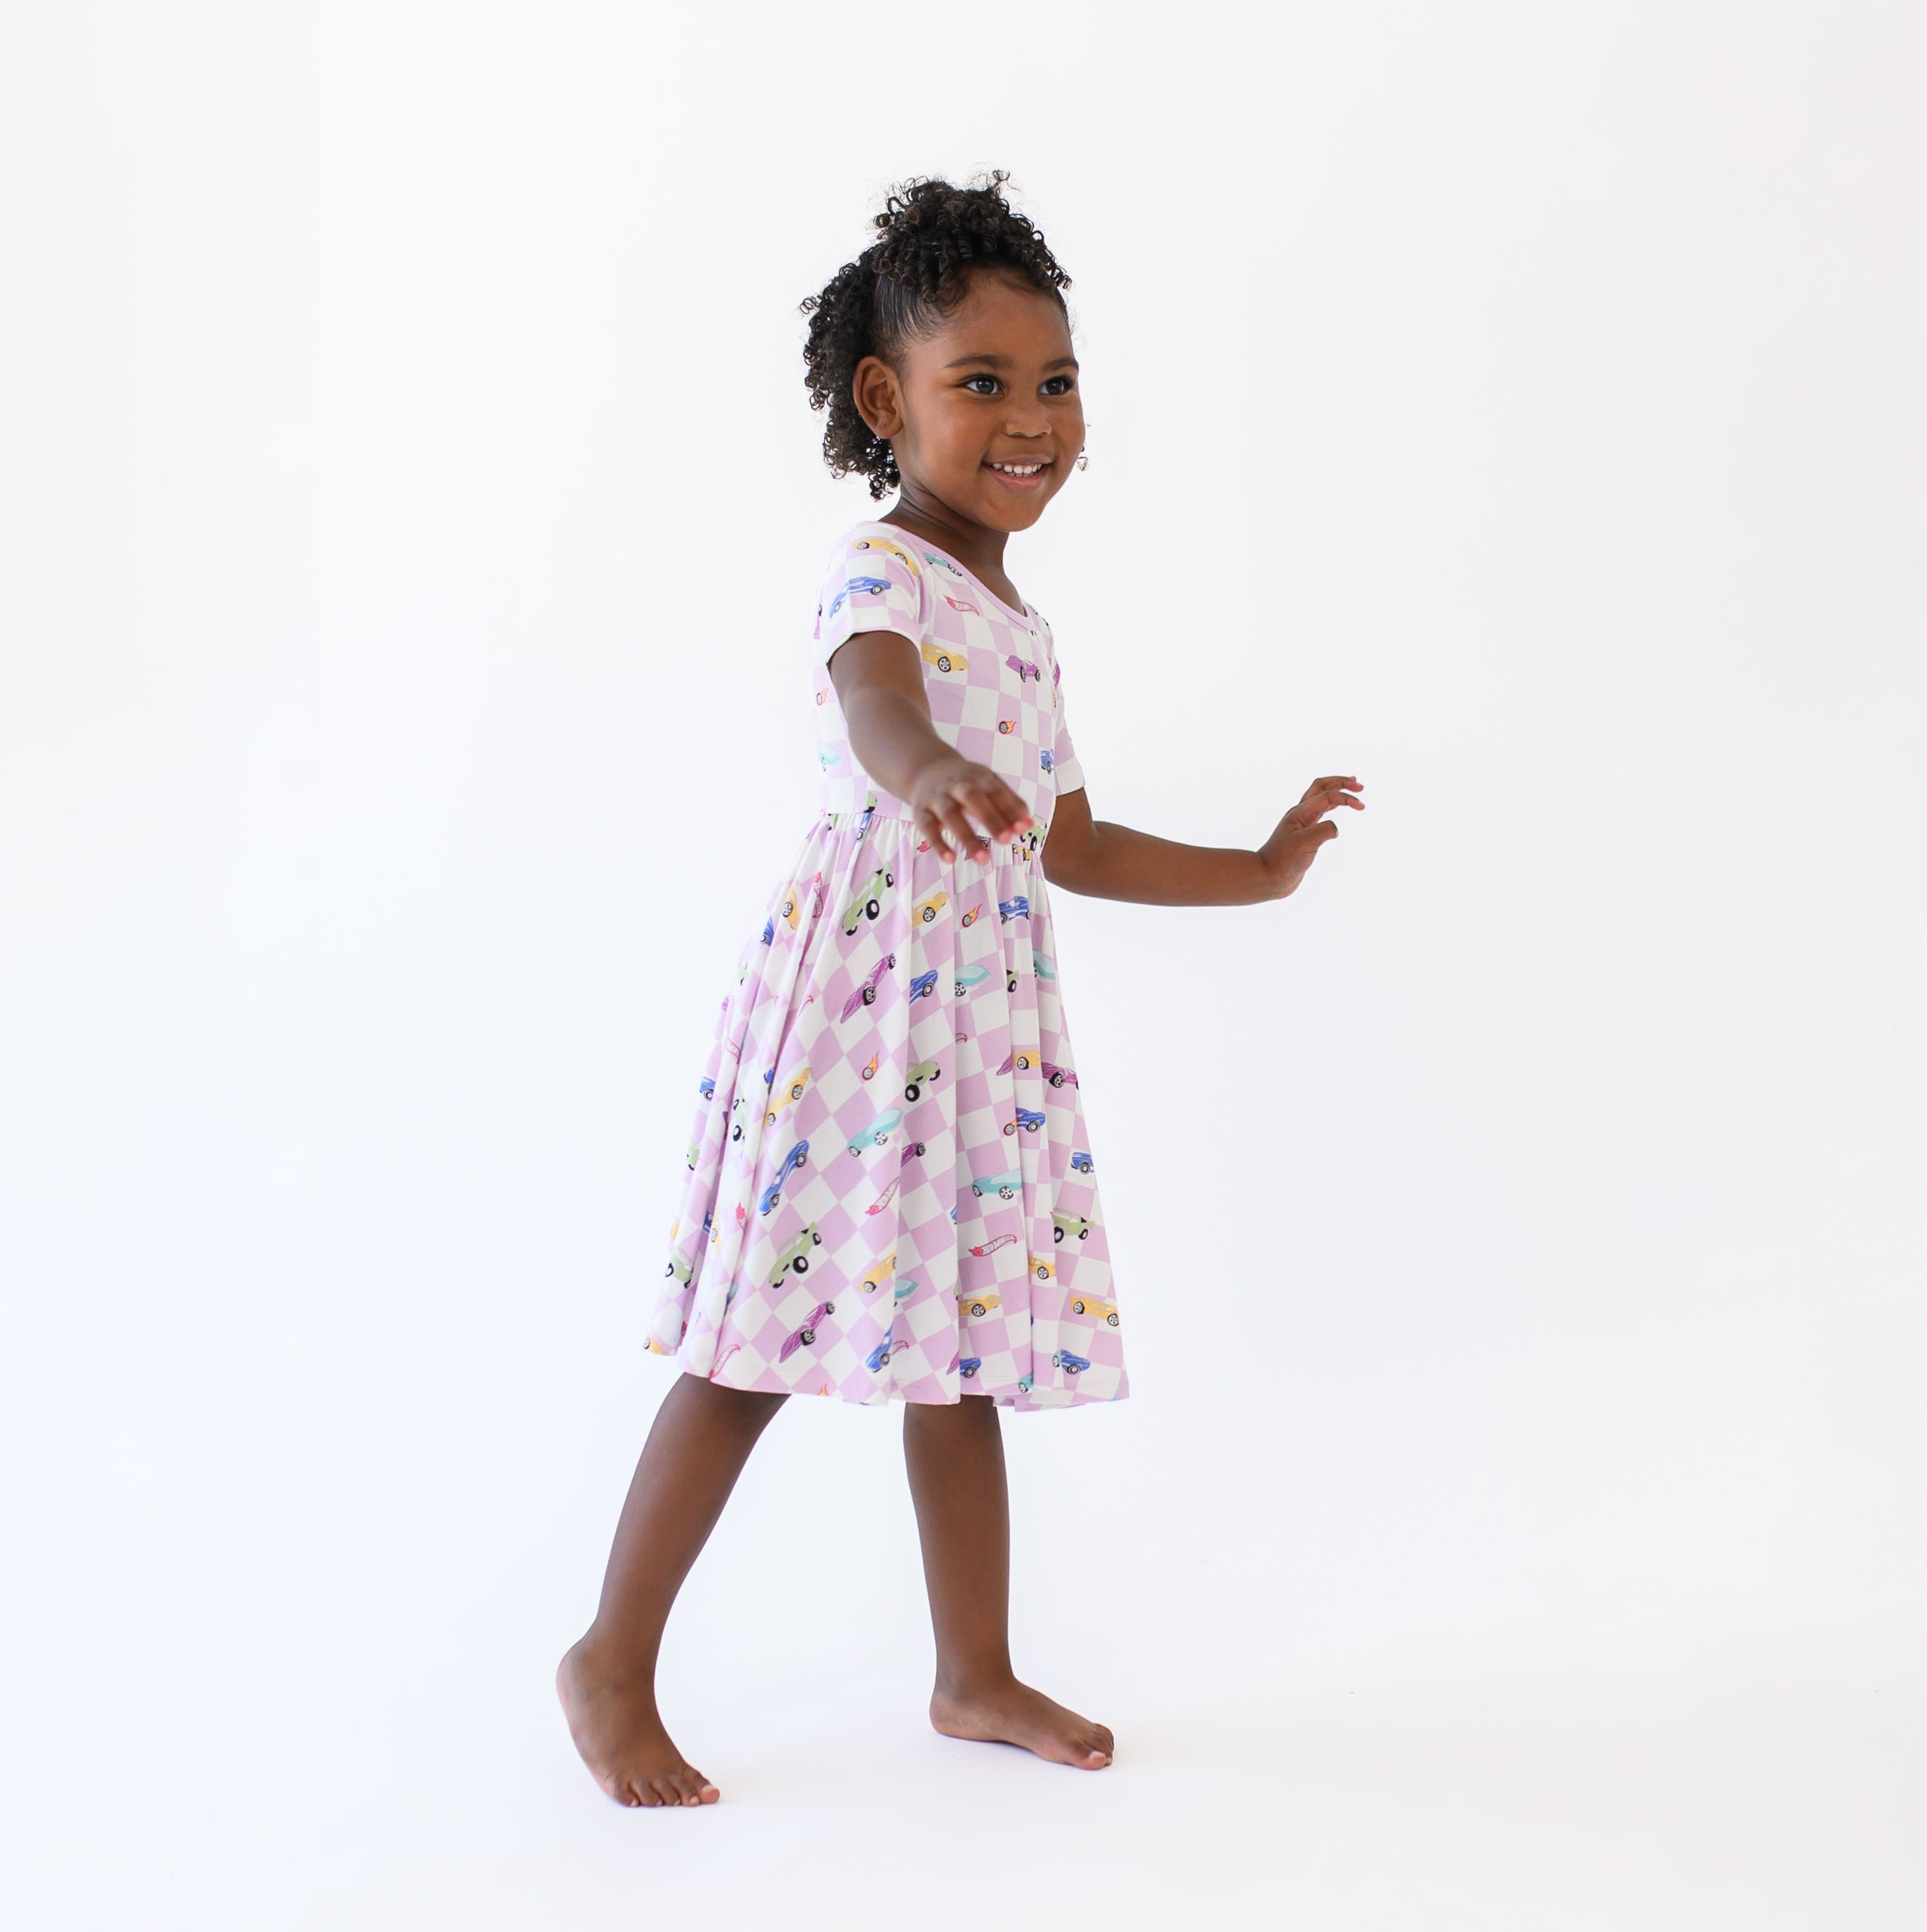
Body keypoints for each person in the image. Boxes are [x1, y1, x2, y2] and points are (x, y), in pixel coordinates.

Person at [559, 171, 1363, 1807]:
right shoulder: (887, 579)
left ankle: (971, 1671)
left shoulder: (1020, 617)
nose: (1030, 418)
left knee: (963, 1353)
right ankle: (610, 1657)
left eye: (1053, 380)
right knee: (747, 1350)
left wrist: (1258, 868)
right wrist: (919, 766)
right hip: (860, 1019)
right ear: (884, 400)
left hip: (975, 1033)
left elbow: (1070, 839)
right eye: (979, 383)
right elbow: (872, 702)